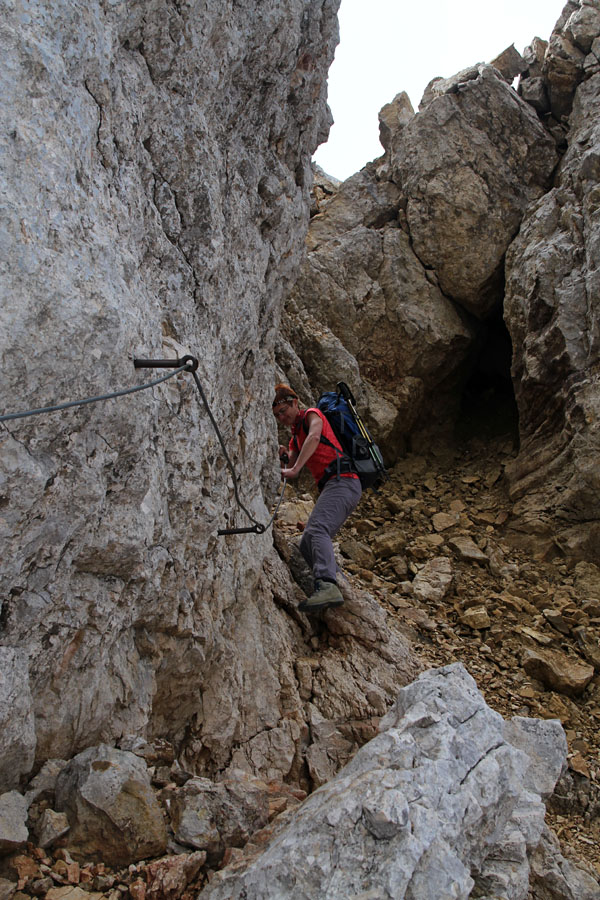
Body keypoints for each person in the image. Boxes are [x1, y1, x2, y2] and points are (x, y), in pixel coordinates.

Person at [272, 383, 362, 612]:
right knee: (306, 543)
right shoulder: (295, 437)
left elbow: (314, 437)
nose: (281, 417)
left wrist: (295, 469)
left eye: (283, 411)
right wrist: (284, 458)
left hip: (344, 481)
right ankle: (335, 586)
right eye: (277, 415)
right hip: (333, 485)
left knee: (317, 530)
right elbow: (290, 463)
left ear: (294, 403)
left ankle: (327, 586)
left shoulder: (313, 415)